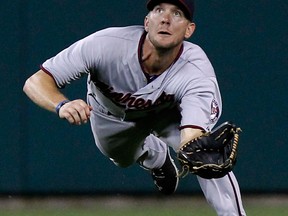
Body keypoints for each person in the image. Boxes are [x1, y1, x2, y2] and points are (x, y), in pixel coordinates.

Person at [23, 0, 246, 215]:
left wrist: (192, 146)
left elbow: (193, 134)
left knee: (204, 153)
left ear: (189, 30)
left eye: (177, 13)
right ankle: (156, 157)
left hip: (166, 115)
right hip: (108, 115)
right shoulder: (107, 44)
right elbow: (36, 81)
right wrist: (61, 104)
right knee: (121, 158)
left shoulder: (196, 71)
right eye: (159, 10)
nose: (166, 19)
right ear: (147, 22)